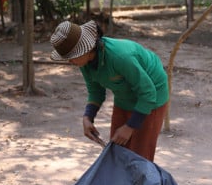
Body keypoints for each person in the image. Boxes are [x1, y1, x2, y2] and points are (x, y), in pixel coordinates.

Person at [50, 20, 169, 161]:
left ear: (87, 49)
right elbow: (95, 92)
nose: (70, 62)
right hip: (124, 97)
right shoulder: (84, 63)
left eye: (71, 57)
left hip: (152, 96)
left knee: (140, 158)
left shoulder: (120, 57)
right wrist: (88, 117)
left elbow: (148, 94)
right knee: (116, 152)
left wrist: (130, 127)